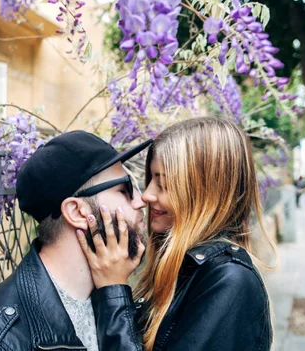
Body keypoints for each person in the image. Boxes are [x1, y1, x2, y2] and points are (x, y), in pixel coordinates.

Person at [76, 117, 274, 351]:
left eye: (165, 185)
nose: (146, 196)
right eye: (151, 180)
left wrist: (113, 291)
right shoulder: (187, 266)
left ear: (206, 194)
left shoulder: (229, 281)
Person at [0, 131, 149, 351]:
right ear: (77, 212)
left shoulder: (109, 297)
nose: (141, 200)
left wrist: (114, 293)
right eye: (124, 189)